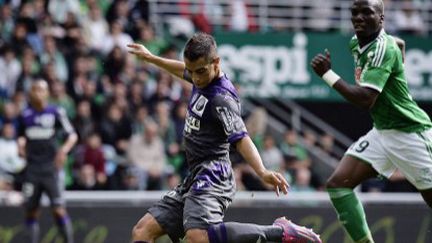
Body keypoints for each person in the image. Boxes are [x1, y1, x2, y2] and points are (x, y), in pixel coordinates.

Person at [127, 33, 322, 243]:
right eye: (191, 72)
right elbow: (182, 69)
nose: (196, 78)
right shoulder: (200, 75)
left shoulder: (222, 99)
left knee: (198, 237)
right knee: (142, 231)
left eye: (200, 72)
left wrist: (262, 171)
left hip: (214, 173)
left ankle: (280, 232)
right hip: (195, 174)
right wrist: (152, 58)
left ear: (216, 62)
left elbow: (241, 138)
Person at [310, 1, 432, 242]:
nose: (359, 17)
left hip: (410, 133)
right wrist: (398, 63)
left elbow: (366, 99)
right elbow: (400, 43)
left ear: (382, 18)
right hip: (383, 131)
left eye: (367, 12)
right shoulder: (358, 42)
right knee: (338, 184)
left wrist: (327, 74)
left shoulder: (382, 48)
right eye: (355, 12)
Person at [17, 80, 78, 243]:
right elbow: (21, 136)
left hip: (51, 169)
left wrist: (63, 150)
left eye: (41, 89)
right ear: (30, 93)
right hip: (32, 170)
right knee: (31, 211)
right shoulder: (25, 115)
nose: (38, 93)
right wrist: (21, 144)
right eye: (35, 89)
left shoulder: (56, 112)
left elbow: (72, 135)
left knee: (58, 209)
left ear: (47, 93)